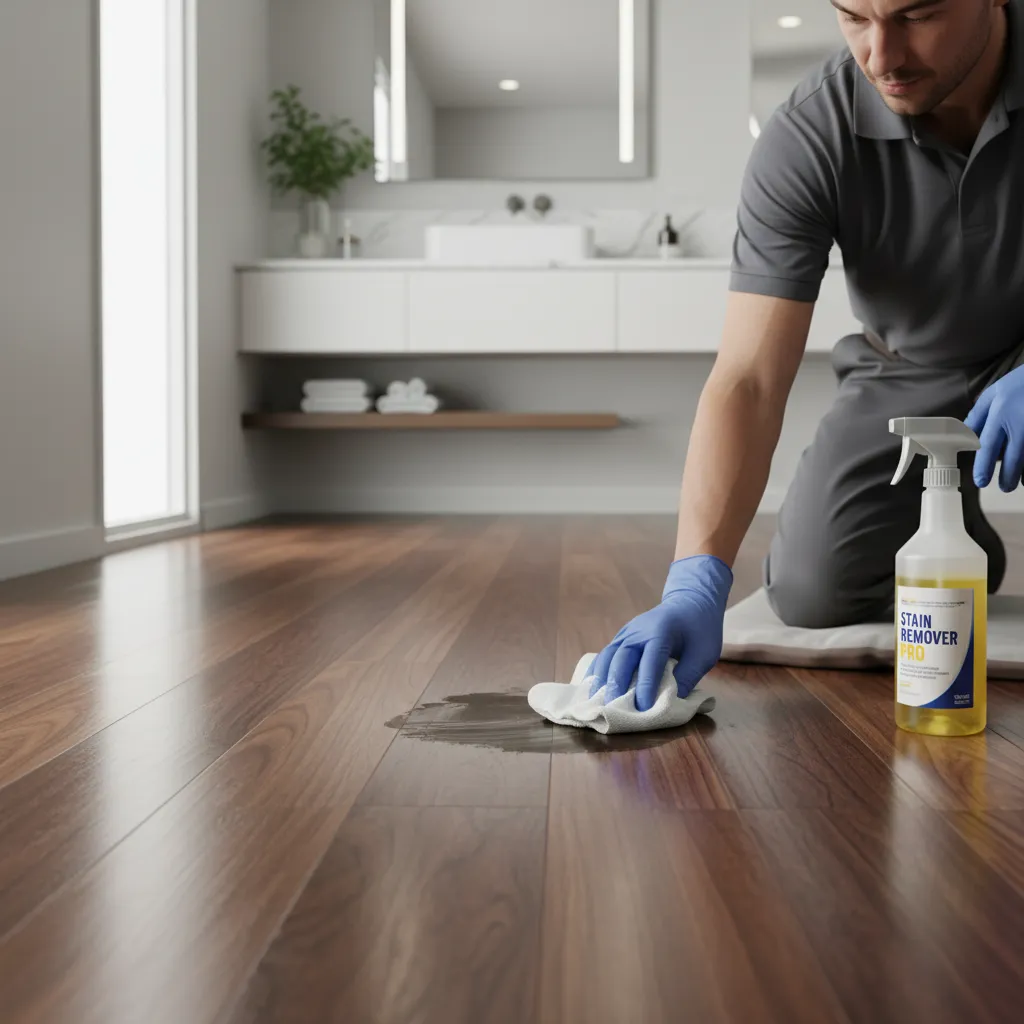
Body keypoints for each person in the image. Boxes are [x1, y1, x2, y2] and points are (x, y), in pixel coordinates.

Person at [589, 0, 1024, 711]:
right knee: (815, 590)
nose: (882, 55)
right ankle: (957, 535)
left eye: (918, 15)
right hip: (909, 367)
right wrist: (695, 577)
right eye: (854, 16)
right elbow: (749, 380)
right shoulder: (810, 131)